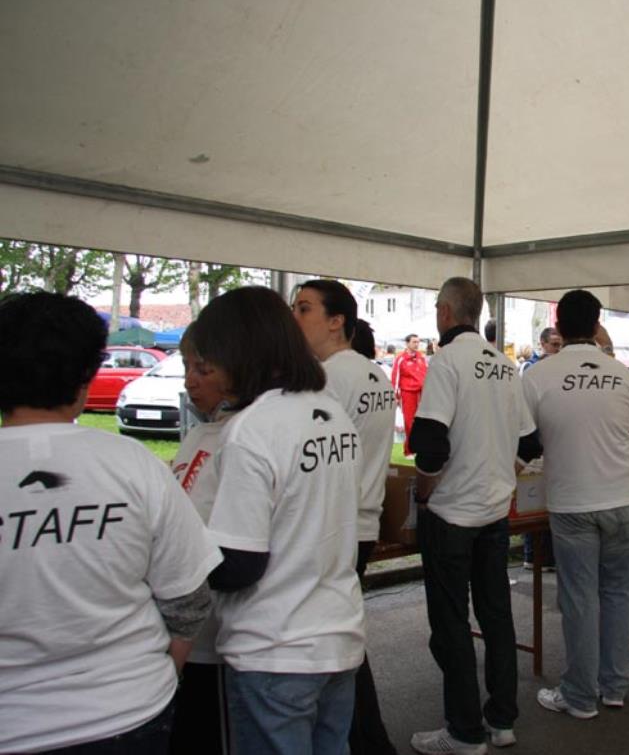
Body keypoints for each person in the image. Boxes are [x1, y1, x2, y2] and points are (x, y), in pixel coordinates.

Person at [0, 292, 221, 754]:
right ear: (87, 374)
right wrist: (162, 675)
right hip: (129, 710)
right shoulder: (132, 464)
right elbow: (189, 599)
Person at [194, 286, 365, 754]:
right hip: (337, 636)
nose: (210, 372)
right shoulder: (332, 414)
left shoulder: (251, 429)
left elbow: (240, 564)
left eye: (212, 359)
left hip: (275, 648)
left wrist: (180, 546)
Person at [408, 277, 539, 755]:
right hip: (494, 512)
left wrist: (424, 494)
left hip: (451, 514)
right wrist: (503, 474)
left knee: (451, 624)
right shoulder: (504, 364)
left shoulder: (447, 362)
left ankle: (464, 730)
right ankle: (501, 720)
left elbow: (430, 446)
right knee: (496, 616)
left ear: (445, 312)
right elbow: (531, 442)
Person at [292, 280, 399, 755]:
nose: (295, 318)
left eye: (304, 309)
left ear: (336, 321)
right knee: (343, 639)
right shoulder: (374, 373)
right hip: (362, 521)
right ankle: (366, 740)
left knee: (336, 646)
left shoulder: (328, 378)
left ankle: (365, 740)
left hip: (337, 527)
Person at [522, 289, 629, 718]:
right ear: (596, 324)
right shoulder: (623, 374)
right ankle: (614, 685)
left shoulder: (538, 375)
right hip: (623, 497)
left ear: (558, 326)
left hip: (573, 500)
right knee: (617, 592)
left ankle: (579, 695)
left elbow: (526, 441)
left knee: (579, 598)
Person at [169, 325, 239, 755]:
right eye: (186, 367)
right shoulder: (198, 434)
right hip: (181, 635)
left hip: (216, 639)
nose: (190, 380)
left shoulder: (242, 439)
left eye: (203, 369)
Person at [520, 325, 564, 569]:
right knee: (534, 500)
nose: (557, 349)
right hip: (535, 443)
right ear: (543, 343)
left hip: (552, 444)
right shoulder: (531, 369)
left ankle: (546, 556)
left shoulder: (557, 369)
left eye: (560, 345)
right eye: (554, 345)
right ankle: (532, 555)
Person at [392, 332, 428, 455]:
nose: (417, 344)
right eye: (414, 342)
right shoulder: (401, 359)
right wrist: (395, 396)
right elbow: (395, 377)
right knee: (409, 422)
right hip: (407, 393)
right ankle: (409, 450)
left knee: (422, 421)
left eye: (418, 342)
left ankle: (421, 447)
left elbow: (427, 374)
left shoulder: (421, 358)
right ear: (407, 343)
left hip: (421, 393)